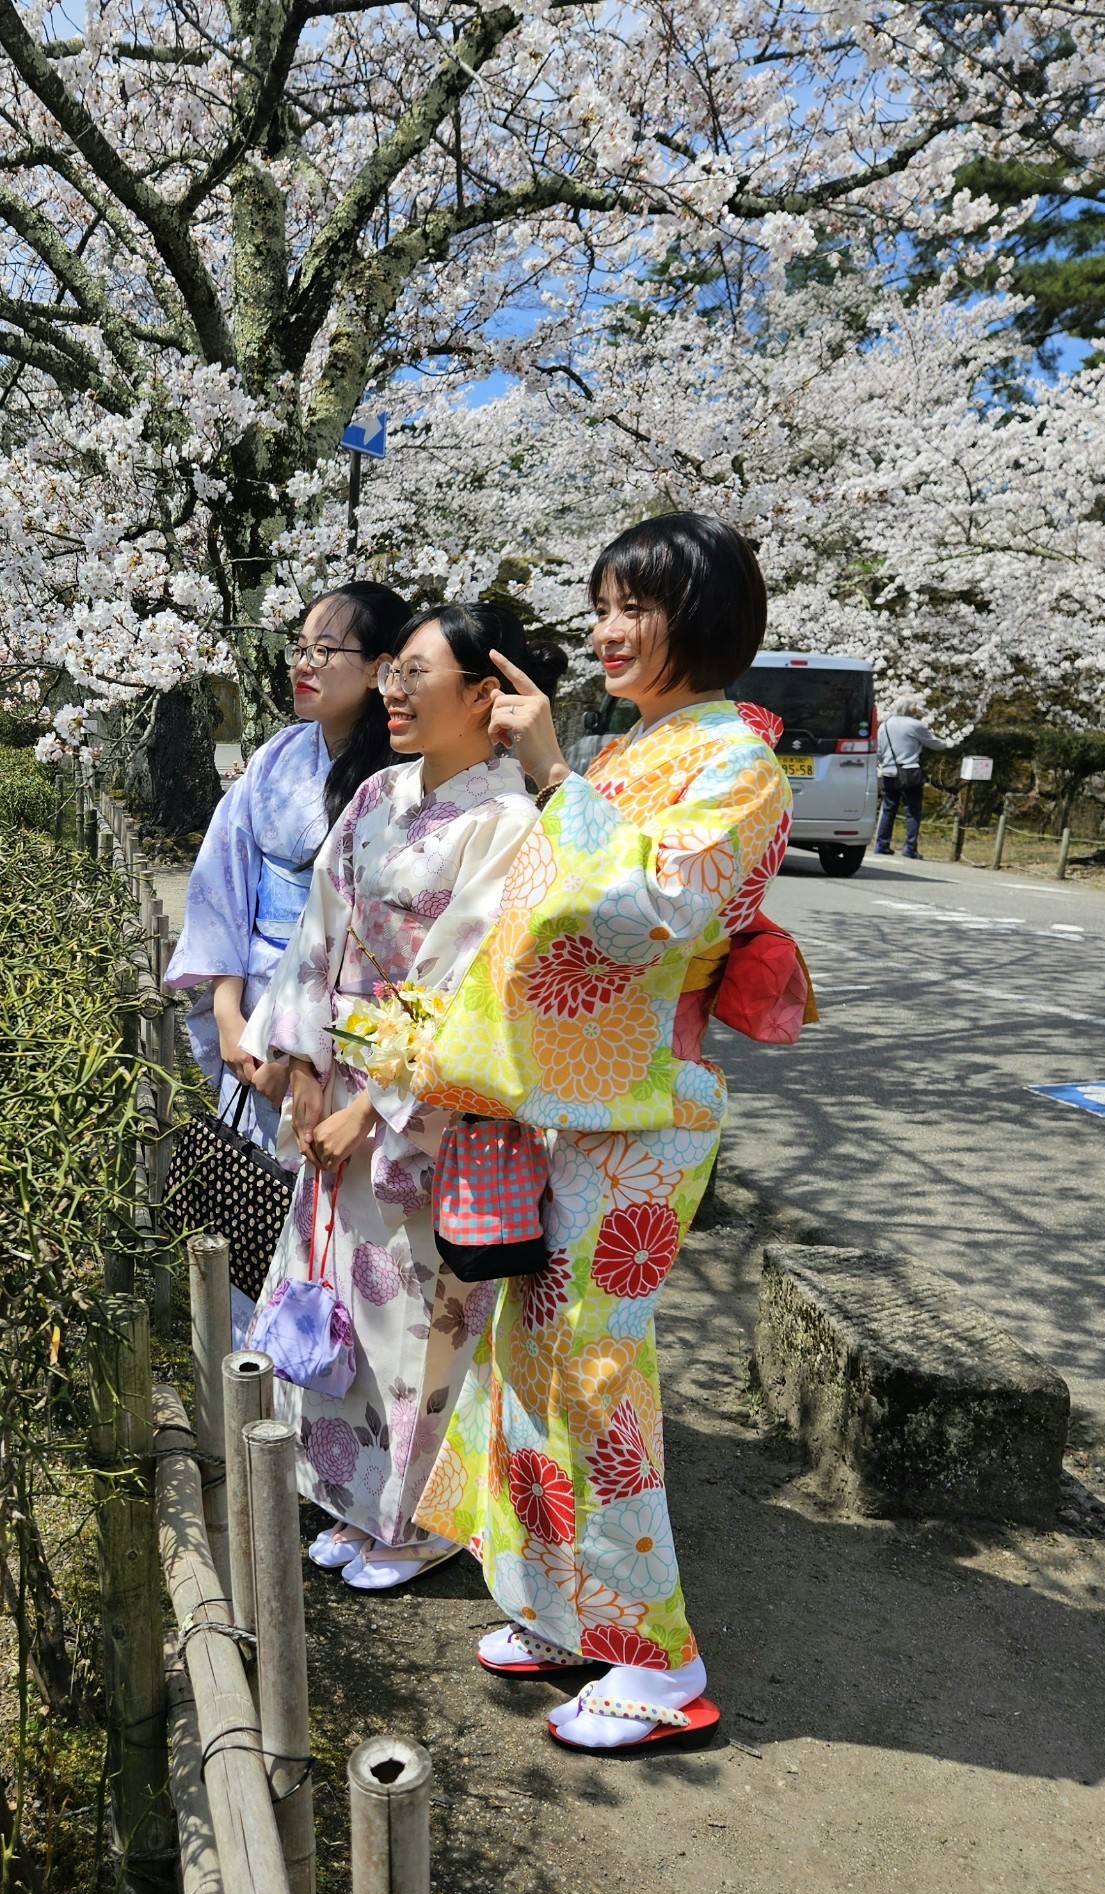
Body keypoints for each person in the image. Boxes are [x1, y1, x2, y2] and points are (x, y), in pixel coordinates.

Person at [364, 513, 791, 1749]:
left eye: (636, 608)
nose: (608, 629)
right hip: (573, 1106)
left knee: (597, 1370)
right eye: (602, 603)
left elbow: (652, 909)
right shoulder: (643, 750)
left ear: (699, 621)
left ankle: (660, 1666)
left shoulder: (737, 764)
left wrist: (553, 778)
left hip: (647, 1106)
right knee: (533, 1359)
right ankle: (563, 1608)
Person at [245, 602, 563, 1590]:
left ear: (483, 694)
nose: (390, 689)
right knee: (334, 1292)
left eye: (414, 673)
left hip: (428, 1112)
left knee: (415, 1314)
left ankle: (420, 1520)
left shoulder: (506, 822)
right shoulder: (378, 792)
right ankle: (347, 1495)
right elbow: (318, 935)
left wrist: (368, 1106)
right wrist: (297, 1069)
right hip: (339, 1078)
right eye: (391, 672)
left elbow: (469, 985)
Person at [165, 583, 412, 1148]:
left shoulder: (403, 782)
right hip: (248, 1002)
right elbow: (222, 883)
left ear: (380, 669)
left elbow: (380, 942)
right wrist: (230, 1012)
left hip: (337, 1029)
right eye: (299, 647)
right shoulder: (277, 754)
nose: (304, 664)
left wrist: (295, 1047)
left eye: (325, 651)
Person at [875, 702, 952, 859]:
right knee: (913, 812)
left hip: (889, 772)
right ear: (911, 709)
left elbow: (878, 751)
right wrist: (947, 743)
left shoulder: (885, 725)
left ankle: (882, 844)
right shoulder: (915, 725)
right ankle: (910, 848)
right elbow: (934, 744)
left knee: (888, 809)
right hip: (910, 773)